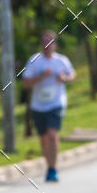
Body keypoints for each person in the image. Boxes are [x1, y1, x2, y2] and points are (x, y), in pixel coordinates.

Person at [21, 31, 75, 182]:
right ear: (41, 45)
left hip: (56, 102)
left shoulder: (61, 61)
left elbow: (71, 75)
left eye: (50, 42)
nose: (47, 45)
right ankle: (49, 165)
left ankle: (52, 169)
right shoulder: (34, 60)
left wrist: (63, 78)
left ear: (54, 45)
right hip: (38, 106)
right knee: (44, 138)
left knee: (52, 134)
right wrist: (41, 76)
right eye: (44, 42)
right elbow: (25, 83)